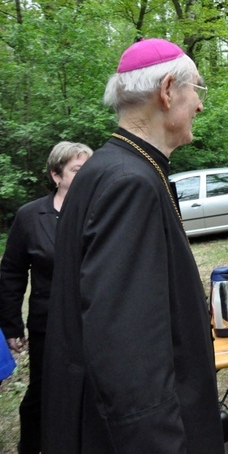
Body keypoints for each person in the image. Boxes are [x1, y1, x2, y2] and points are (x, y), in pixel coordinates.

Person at [41, 39, 223, 453]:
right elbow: (128, 351)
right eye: (196, 89)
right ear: (167, 90)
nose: (199, 104)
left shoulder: (112, 167)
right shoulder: (130, 184)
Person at [0, 141, 92, 454]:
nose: (85, 175)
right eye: (77, 170)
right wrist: (12, 326)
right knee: (43, 391)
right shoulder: (30, 216)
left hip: (93, 320)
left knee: (91, 390)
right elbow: (11, 274)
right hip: (48, 324)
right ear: (56, 175)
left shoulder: (100, 211)